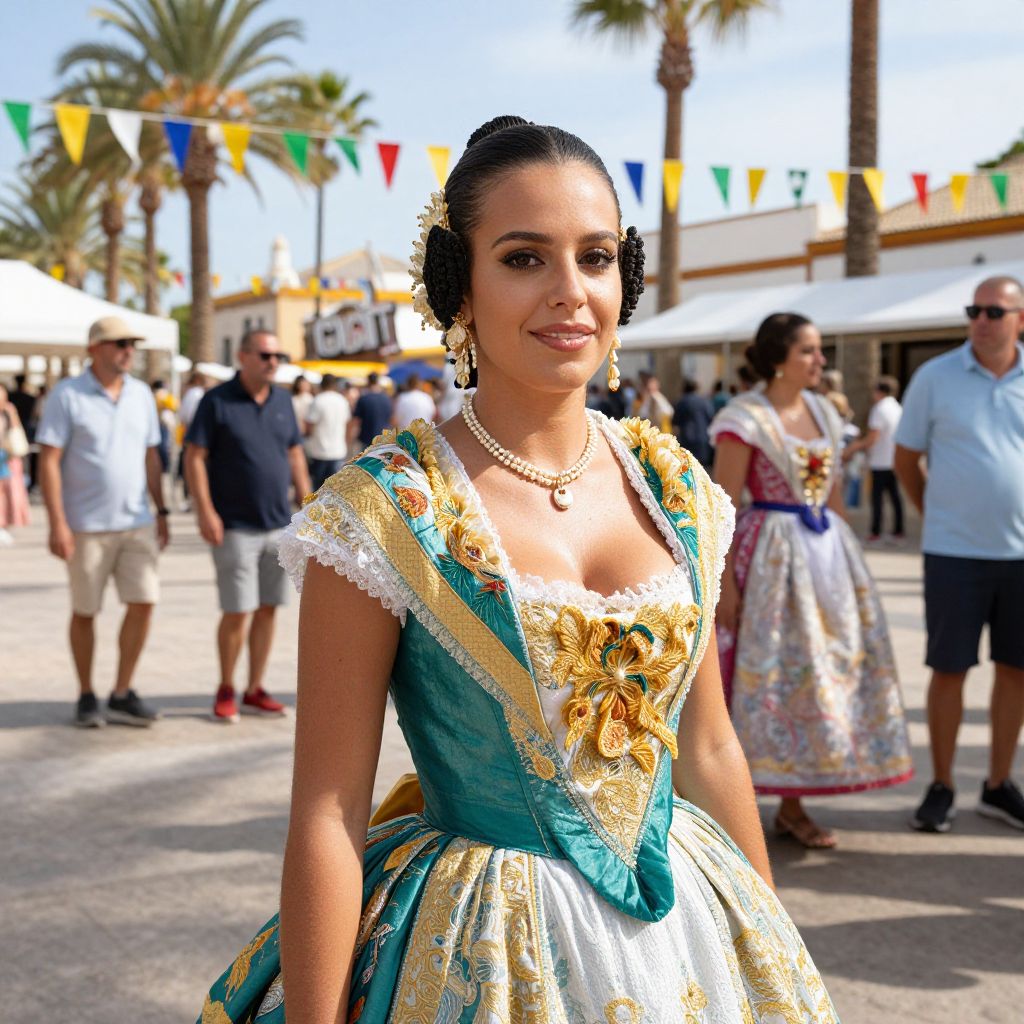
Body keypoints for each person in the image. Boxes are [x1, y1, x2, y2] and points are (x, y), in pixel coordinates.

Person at [198, 116, 837, 1024]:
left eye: (597, 257)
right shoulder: (384, 511)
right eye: (525, 258)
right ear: (457, 283)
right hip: (483, 954)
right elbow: (328, 815)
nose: (571, 293)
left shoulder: (678, 490)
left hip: (689, 928)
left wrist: (769, 961)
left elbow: (709, 749)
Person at [710, 312, 912, 849]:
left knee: (818, 672)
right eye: (808, 351)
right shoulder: (744, 417)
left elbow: (835, 493)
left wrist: (847, 561)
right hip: (770, 558)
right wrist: (724, 583)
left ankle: (794, 801)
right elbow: (722, 504)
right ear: (778, 359)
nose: (820, 360)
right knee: (770, 673)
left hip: (826, 554)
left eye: (819, 351)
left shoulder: (824, 410)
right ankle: (736, 809)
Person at [895, 275, 1024, 833]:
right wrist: (937, 514)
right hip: (953, 553)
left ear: (1020, 318)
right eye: (975, 310)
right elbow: (906, 459)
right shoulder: (935, 376)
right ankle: (942, 785)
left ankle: (997, 785)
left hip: (1020, 557)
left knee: (1016, 671)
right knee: (948, 669)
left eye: (994, 312)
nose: (982, 320)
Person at [36, 316, 169, 728]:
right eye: (119, 343)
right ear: (94, 348)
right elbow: (49, 460)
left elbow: (151, 456)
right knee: (85, 610)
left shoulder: (141, 394)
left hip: (137, 522)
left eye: (132, 344)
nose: (128, 350)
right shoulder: (68, 395)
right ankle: (86, 694)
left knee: (144, 603)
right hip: (86, 526)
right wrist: (57, 523)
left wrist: (162, 510)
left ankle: (122, 692)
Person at [185, 328, 311, 724]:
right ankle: (226, 686)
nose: (273, 363)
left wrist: (309, 505)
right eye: (265, 355)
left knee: (269, 608)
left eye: (278, 356)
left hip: (277, 524)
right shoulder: (216, 401)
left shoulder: (283, 400)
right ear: (242, 356)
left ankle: (255, 688)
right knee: (237, 610)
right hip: (234, 525)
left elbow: (294, 453)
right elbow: (194, 456)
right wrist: (205, 510)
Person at [843, 377, 903, 542]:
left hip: (880, 461)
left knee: (877, 498)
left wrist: (853, 448)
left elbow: (872, 438)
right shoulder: (898, 408)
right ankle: (898, 530)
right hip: (893, 459)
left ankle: (876, 532)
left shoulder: (879, 409)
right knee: (894, 496)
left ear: (879, 392)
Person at [303, 373, 352, 490]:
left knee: (318, 490)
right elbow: (348, 424)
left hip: (319, 451)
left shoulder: (317, 400)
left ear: (322, 384)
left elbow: (309, 426)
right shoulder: (342, 400)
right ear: (334, 385)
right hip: (338, 450)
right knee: (334, 491)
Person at [0, 382, 32, 544]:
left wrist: (12, 414)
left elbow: (16, 432)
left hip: (8, 459)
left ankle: (4, 524)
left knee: (9, 493)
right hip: (5, 459)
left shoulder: (9, 412)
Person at [177, 370, 207, 510]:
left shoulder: (192, 394)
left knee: (189, 468)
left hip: (191, 435)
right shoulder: (198, 394)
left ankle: (191, 498)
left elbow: (183, 416)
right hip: (197, 435)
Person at [672, 378, 714, 469]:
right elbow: (711, 418)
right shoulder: (704, 401)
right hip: (703, 439)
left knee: (689, 468)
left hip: (686, 440)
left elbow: (675, 422)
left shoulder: (681, 402)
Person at [352, 371, 392, 447]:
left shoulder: (363, 398)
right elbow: (392, 419)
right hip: (383, 438)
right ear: (378, 381)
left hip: (366, 439)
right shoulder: (386, 399)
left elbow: (356, 421)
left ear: (368, 382)